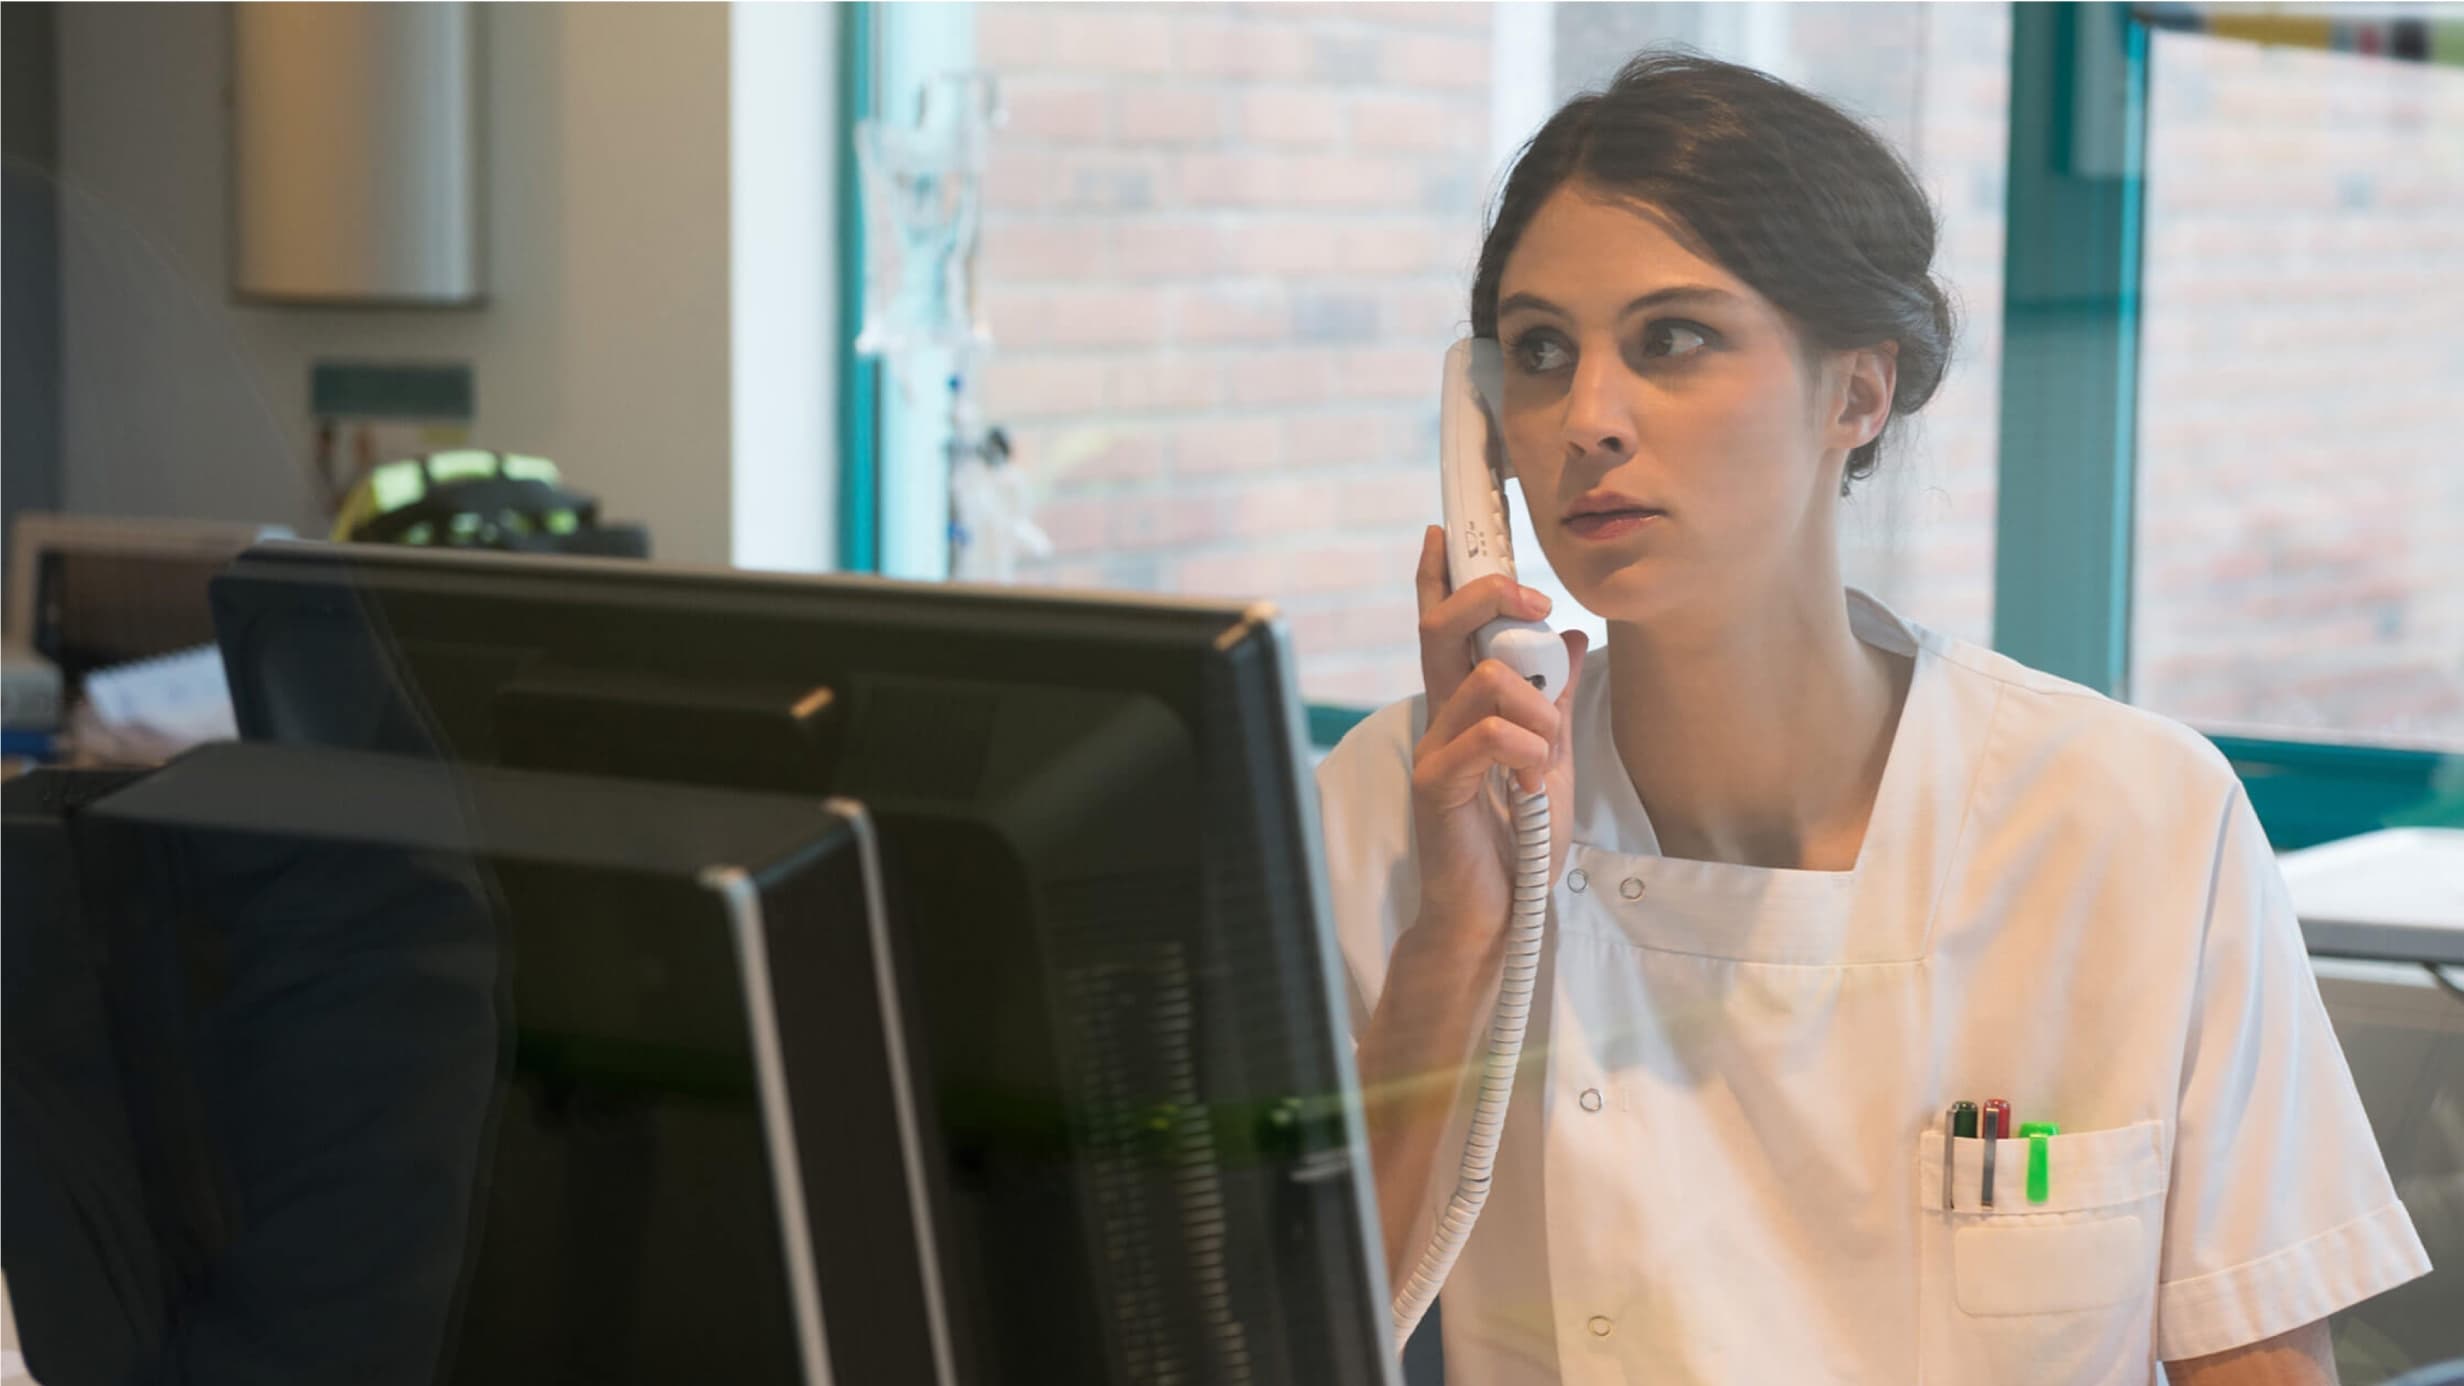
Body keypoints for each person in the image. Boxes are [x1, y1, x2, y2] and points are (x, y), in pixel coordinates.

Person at [1316, 51, 2430, 1385]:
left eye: (1672, 337)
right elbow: (1270, 1345)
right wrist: (1459, 941)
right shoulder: (1412, 797)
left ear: (1857, 391)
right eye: (1541, 354)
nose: (1587, 420)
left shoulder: (2132, 820)